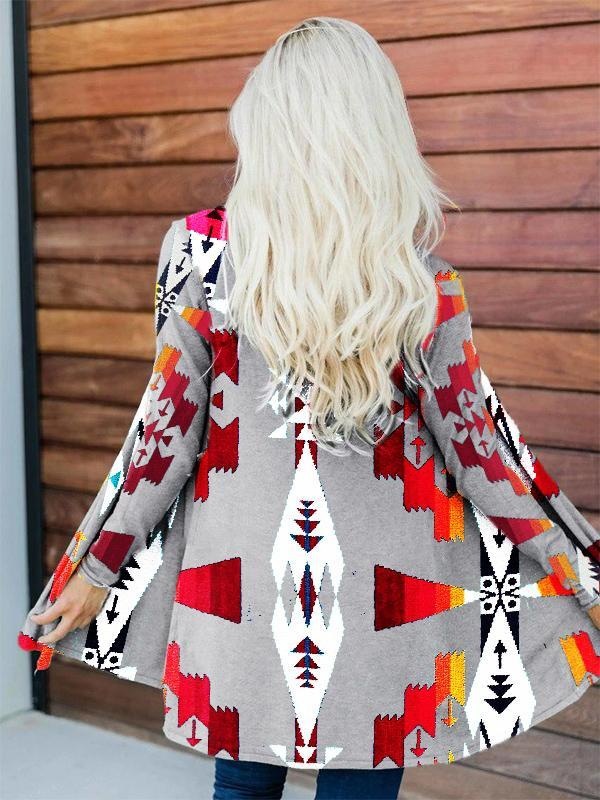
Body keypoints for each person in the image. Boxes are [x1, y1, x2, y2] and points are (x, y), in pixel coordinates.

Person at [19, 16, 599, 800]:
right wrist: (584, 571)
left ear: (267, 126)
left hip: (240, 599)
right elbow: (486, 458)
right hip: (390, 611)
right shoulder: (422, 284)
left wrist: (95, 566)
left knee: (242, 792)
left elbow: (163, 436)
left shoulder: (199, 257)